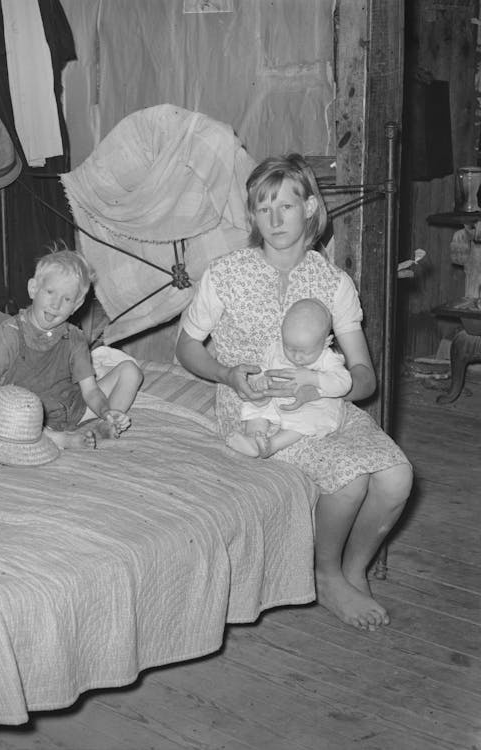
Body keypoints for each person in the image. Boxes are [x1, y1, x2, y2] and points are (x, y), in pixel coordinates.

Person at [176, 153, 412, 632]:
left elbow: (364, 377)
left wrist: (319, 385)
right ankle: (326, 577)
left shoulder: (332, 281)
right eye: (264, 209)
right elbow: (184, 347)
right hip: (257, 408)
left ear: (309, 208)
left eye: (286, 205)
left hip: (326, 402)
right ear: (253, 216)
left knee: (398, 479)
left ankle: (352, 569)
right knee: (350, 480)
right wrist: (226, 374)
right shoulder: (227, 273)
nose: (276, 219)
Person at [0, 246, 144, 450]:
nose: (56, 305)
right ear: (33, 289)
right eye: (50, 292)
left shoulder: (75, 338)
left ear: (76, 306)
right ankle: (60, 440)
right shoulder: (10, 332)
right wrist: (13, 402)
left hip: (72, 408)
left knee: (130, 370)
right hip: (25, 416)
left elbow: (90, 391)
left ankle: (107, 425)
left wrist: (106, 410)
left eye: (66, 299)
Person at [227, 297, 352, 458]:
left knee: (307, 418)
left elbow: (344, 383)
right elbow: (264, 368)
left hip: (312, 402)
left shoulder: (328, 358)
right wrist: (260, 380)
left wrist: (312, 378)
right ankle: (252, 439)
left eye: (305, 352)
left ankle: (272, 445)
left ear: (326, 342)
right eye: (289, 348)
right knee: (255, 406)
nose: (297, 357)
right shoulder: (275, 349)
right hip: (277, 398)